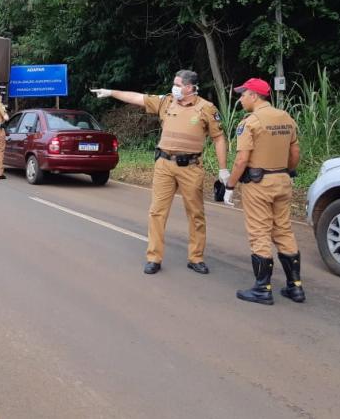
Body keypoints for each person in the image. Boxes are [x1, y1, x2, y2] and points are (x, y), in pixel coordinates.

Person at [91, 70, 229, 275]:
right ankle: (153, 257)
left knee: (196, 214)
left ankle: (196, 257)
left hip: (190, 167)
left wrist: (223, 169)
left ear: (190, 88)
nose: (174, 87)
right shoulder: (167, 101)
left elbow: (219, 138)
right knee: (157, 212)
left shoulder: (206, 108)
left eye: (178, 84)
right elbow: (137, 97)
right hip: (164, 164)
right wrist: (111, 92)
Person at [223, 78, 304, 305]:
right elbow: (295, 153)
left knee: (259, 232)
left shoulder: (250, 122)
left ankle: (262, 289)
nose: (240, 99)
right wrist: (286, 171)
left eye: (242, 94)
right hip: (282, 180)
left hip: (259, 184)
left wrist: (230, 185)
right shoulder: (286, 117)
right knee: (284, 231)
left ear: (254, 96)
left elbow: (241, 160)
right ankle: (295, 287)